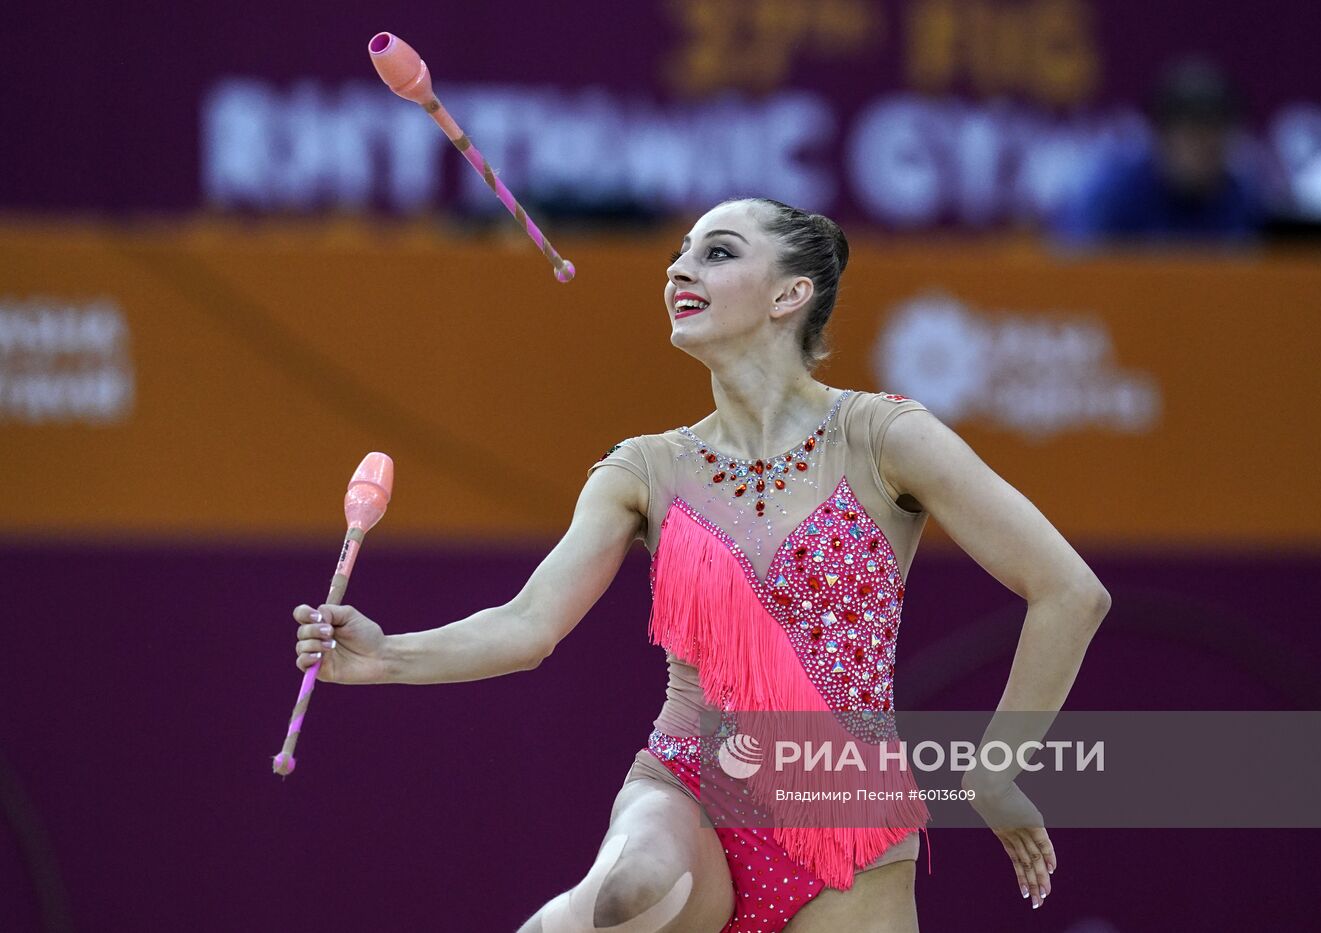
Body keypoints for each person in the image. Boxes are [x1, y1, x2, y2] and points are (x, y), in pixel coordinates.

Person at [290, 197, 1112, 931]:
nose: (679, 270)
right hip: (690, 791)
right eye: (678, 254)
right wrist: (388, 654)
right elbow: (528, 624)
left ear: (791, 295)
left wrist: (995, 772)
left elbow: (1070, 591)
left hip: (851, 820)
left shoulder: (884, 437)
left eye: (717, 253)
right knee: (631, 891)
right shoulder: (644, 469)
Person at [1055, 58, 1267, 246]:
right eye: (1192, 133)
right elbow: (1075, 265)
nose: (1204, 146)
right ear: (1161, 136)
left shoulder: (1244, 203)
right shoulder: (1114, 199)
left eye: (1215, 131)